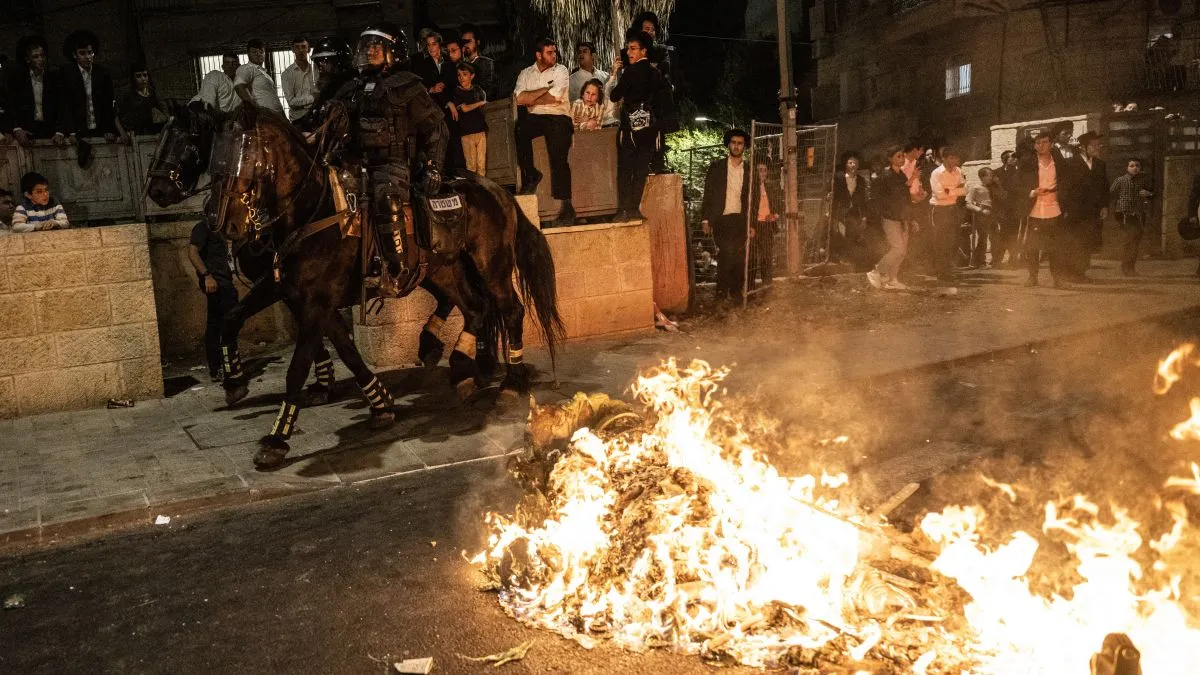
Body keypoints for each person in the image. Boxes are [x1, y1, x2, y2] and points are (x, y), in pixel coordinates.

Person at [329, 22, 447, 297]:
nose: (369, 51)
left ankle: (397, 270)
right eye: (367, 46)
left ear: (392, 51)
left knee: (386, 198)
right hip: (357, 164)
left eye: (376, 46)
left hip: (393, 167)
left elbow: (437, 129)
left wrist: (434, 168)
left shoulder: (408, 86)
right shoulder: (354, 88)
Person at [513, 38, 575, 226]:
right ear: (538, 55)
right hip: (536, 118)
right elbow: (519, 99)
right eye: (549, 52)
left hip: (559, 116)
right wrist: (543, 90)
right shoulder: (526, 73)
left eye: (555, 52)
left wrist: (531, 98)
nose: (554, 55)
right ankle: (531, 174)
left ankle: (567, 207)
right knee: (520, 129)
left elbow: (554, 98)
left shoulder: (561, 70)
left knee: (558, 157)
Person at [610, 31, 667, 222]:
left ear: (644, 51)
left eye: (633, 49)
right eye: (628, 48)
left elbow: (614, 96)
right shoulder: (656, 74)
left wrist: (615, 74)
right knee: (641, 169)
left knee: (626, 169)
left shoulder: (630, 72)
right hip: (650, 128)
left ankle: (623, 210)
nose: (628, 52)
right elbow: (662, 102)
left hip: (630, 130)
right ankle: (634, 208)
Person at [699, 128, 751, 302]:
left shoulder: (749, 170)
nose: (736, 146)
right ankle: (721, 295)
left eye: (740, 143)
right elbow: (708, 193)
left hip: (741, 219)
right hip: (722, 218)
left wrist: (752, 224)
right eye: (734, 143)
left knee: (739, 256)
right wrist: (706, 219)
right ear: (728, 144)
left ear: (745, 146)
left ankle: (736, 293)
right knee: (726, 254)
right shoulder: (717, 167)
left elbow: (754, 198)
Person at [188, 220, 237, 382]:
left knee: (220, 322)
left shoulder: (220, 228)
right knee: (221, 324)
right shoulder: (203, 227)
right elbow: (193, 253)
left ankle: (222, 366)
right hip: (216, 282)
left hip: (223, 281)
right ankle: (221, 367)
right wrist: (207, 276)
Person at [1020, 130, 1071, 287]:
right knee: (1033, 245)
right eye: (1037, 142)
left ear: (1051, 143)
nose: (1041, 145)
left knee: (1055, 246)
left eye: (1044, 142)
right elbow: (1018, 184)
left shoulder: (1059, 160)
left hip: (1054, 205)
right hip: (1036, 206)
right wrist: (1033, 192)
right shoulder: (1028, 161)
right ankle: (1032, 276)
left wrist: (1062, 197)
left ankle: (1057, 279)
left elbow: (1067, 180)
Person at [867, 146, 916, 291]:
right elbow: (883, 198)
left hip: (903, 218)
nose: (902, 159)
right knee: (898, 249)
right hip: (891, 218)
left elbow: (906, 199)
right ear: (890, 159)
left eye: (902, 156)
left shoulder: (902, 176)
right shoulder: (885, 176)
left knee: (903, 251)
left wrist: (911, 218)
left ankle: (892, 279)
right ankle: (877, 271)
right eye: (898, 156)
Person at [58, 30, 121, 143]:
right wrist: (71, 131)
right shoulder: (67, 74)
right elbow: (66, 105)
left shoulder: (102, 73)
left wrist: (108, 128)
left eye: (90, 53)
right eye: (82, 53)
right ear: (74, 55)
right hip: (78, 130)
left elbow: (108, 103)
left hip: (100, 129)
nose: (88, 57)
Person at [1064, 131, 1107, 282]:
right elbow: (1065, 188)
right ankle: (1074, 273)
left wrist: (1104, 206)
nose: (1097, 148)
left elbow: (1104, 187)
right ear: (1083, 147)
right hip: (1074, 211)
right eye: (1093, 145)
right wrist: (1065, 209)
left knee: (1087, 242)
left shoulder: (1100, 165)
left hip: (1092, 212)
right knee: (1074, 241)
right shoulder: (1070, 163)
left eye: (1098, 145)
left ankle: (1080, 272)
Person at [9, 36, 62, 144]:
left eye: (42, 55)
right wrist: (17, 128)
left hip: (50, 131)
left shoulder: (53, 77)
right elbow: (12, 105)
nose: (40, 60)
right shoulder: (18, 79)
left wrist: (59, 131)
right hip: (28, 131)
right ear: (28, 59)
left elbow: (61, 106)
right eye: (36, 56)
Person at [927, 146, 967, 280]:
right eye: (951, 158)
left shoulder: (958, 171)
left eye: (956, 158)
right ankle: (941, 271)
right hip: (939, 209)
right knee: (941, 241)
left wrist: (949, 191)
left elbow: (964, 190)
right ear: (944, 158)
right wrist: (953, 191)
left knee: (953, 240)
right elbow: (939, 195)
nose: (954, 160)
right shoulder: (936, 173)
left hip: (953, 208)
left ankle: (948, 268)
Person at [1109, 158, 1152, 276]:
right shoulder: (1120, 180)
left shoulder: (1142, 181)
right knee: (1131, 238)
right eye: (1132, 166)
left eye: (1137, 166)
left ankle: (1129, 267)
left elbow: (1151, 194)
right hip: (1123, 213)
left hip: (1137, 213)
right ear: (1127, 168)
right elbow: (1111, 193)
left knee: (1135, 239)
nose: (1135, 168)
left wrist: (1148, 194)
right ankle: (1126, 267)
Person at [831, 152, 870, 266]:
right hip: (840, 211)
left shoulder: (861, 180)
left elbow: (863, 200)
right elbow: (831, 192)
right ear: (846, 164)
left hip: (854, 212)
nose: (853, 165)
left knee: (852, 235)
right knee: (841, 234)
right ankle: (840, 258)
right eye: (850, 162)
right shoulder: (838, 177)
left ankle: (849, 259)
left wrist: (864, 217)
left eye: (855, 163)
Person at [450, 62, 488, 175]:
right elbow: (465, 108)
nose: (461, 78)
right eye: (459, 75)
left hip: (480, 130)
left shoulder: (477, 89)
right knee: (471, 166)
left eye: (465, 74)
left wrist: (482, 102)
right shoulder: (457, 92)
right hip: (467, 132)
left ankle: (482, 190)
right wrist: (480, 103)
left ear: (472, 76)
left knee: (481, 164)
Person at [749, 161, 780, 289]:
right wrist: (750, 226)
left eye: (764, 170)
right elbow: (748, 208)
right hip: (754, 227)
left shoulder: (771, 187)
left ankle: (767, 285)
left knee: (767, 256)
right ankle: (750, 287)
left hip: (767, 226)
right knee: (752, 257)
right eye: (759, 170)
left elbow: (778, 204)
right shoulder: (751, 188)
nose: (762, 173)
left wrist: (774, 215)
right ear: (755, 172)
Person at [233, 39, 284, 114]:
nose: (258, 54)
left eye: (261, 52)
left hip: (276, 114)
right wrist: (254, 108)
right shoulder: (247, 68)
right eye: (254, 52)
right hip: (264, 116)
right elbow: (239, 86)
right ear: (248, 54)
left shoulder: (263, 72)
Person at [966, 167, 1002, 268]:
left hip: (993, 214)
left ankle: (996, 261)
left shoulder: (993, 188)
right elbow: (968, 203)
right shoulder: (975, 188)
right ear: (983, 177)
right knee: (983, 238)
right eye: (989, 175)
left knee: (995, 237)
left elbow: (1002, 197)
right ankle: (978, 261)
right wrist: (980, 210)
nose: (991, 177)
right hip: (981, 215)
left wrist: (998, 185)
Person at [118, 64, 168, 136]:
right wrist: (123, 133)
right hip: (132, 134)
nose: (143, 79)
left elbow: (165, 114)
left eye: (145, 75)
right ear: (133, 78)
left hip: (148, 134)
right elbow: (117, 116)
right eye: (138, 76)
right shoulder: (128, 95)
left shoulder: (153, 94)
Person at [281, 36, 320, 122]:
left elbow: (320, 95)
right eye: (297, 47)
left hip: (316, 117)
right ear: (292, 49)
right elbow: (291, 103)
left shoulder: (316, 69)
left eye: (303, 47)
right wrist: (312, 99)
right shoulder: (286, 74)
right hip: (298, 120)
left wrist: (303, 103)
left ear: (308, 49)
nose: (300, 50)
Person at [458, 24, 496, 100]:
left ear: (477, 42)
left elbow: (488, 90)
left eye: (468, 41)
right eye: (463, 42)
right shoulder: (458, 64)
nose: (465, 44)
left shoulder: (487, 63)